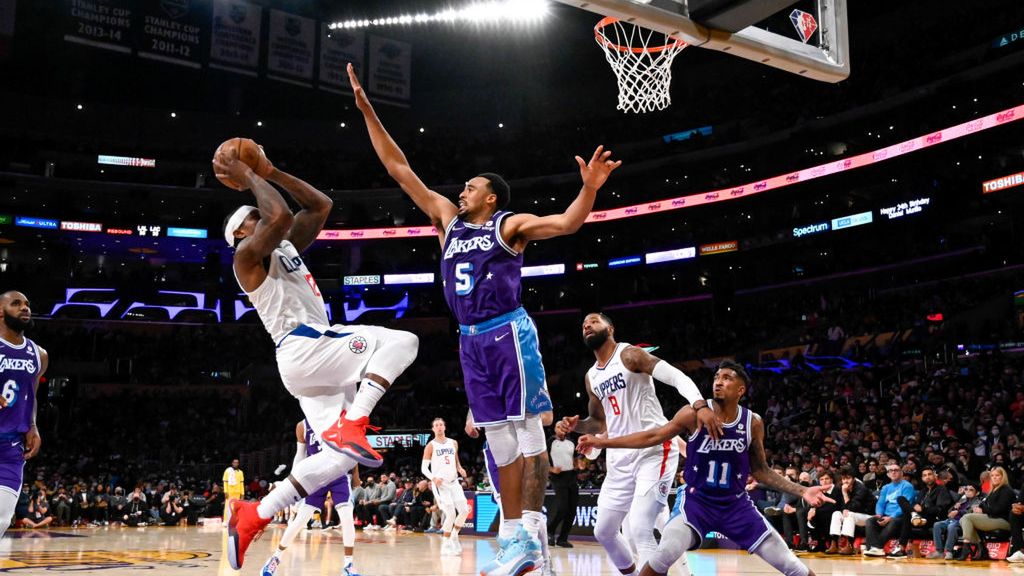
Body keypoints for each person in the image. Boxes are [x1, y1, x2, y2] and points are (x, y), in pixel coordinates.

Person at [349, 63, 620, 576]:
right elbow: (399, 170)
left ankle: (531, 537)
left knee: (526, 435)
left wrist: (589, 189)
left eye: (470, 187)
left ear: (491, 196)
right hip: (469, 340)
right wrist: (367, 111)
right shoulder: (447, 224)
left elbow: (566, 223)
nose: (462, 191)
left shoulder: (507, 225)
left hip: (507, 332)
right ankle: (515, 540)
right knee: (498, 443)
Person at [214, 147, 419, 569]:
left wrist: (270, 170)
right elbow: (279, 217)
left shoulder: (284, 247)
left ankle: (254, 515)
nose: (262, 214)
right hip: (305, 347)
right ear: (241, 233)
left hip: (312, 364)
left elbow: (320, 205)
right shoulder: (246, 257)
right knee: (404, 343)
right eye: (253, 216)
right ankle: (356, 422)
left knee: (340, 461)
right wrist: (249, 176)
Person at [577, 361, 833, 576]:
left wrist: (802, 491)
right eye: (716, 377)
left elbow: (761, 470)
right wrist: (602, 441)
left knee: (792, 566)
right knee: (662, 555)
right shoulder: (692, 413)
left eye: (727, 378)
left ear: (741, 389)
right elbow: (651, 436)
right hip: (696, 504)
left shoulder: (752, 422)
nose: (718, 381)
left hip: (736, 506)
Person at [557, 312, 720, 575]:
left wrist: (699, 404)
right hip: (620, 456)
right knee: (605, 531)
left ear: (610, 329)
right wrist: (577, 426)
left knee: (641, 528)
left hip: (654, 450)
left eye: (594, 321)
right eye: (584, 324)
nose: (587, 325)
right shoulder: (591, 376)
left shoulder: (629, 355)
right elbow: (598, 422)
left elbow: (676, 376)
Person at [262, 420, 361, 576]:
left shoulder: (338, 416)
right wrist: (294, 481)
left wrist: (356, 475)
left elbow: (351, 449)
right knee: (300, 520)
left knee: (347, 517)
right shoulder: (302, 426)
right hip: (316, 476)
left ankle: (348, 565)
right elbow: (300, 456)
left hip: (339, 474)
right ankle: (275, 558)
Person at [0, 290, 47, 538]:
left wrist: (33, 425)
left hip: (11, 447)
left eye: (27, 304)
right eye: (16, 303)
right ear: (0, 311)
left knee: (2, 519)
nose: (24, 308)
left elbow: (32, 394)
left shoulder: (39, 354)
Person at [422, 418, 469, 556]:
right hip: (441, 485)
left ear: (445, 427)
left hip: (454, 482)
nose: (439, 427)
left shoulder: (453, 442)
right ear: (433, 429)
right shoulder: (431, 445)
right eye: (436, 425)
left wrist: (460, 468)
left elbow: (455, 460)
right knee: (451, 514)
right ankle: (446, 543)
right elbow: (424, 468)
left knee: (465, 510)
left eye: (441, 424)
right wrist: (433, 478)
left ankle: (454, 535)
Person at [956, 466, 1014, 561]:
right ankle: (982, 549)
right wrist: (979, 508)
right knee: (963, 519)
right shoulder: (993, 490)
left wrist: (983, 510)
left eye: (997, 475)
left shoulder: (1006, 490)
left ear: (1002, 477)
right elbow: (984, 504)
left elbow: (998, 510)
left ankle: (966, 547)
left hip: (1004, 521)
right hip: (993, 518)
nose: (994, 477)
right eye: (992, 476)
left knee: (967, 518)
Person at [861, 463, 916, 558]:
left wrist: (890, 517)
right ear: (888, 474)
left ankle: (877, 547)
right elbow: (880, 503)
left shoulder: (907, 486)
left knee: (894, 521)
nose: (893, 472)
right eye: (891, 470)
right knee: (870, 520)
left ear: (901, 473)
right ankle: (873, 548)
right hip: (885, 515)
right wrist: (879, 514)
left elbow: (905, 506)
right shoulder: (886, 487)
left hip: (901, 516)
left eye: (896, 470)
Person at [827, 466, 875, 555]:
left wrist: (845, 493)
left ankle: (849, 546)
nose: (845, 481)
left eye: (848, 478)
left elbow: (854, 507)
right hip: (854, 515)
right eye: (843, 478)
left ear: (853, 478)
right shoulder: (841, 487)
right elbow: (840, 507)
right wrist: (844, 508)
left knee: (849, 514)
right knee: (836, 514)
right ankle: (834, 544)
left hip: (868, 516)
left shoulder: (861, 488)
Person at [929, 483, 982, 560]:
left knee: (952, 526)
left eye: (971, 490)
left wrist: (958, 512)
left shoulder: (978, 501)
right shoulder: (962, 499)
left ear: (977, 493)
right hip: (952, 520)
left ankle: (949, 551)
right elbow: (949, 512)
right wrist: (954, 507)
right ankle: (939, 551)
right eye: (966, 489)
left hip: (963, 522)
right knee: (937, 524)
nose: (967, 491)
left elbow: (971, 513)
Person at [547, 423, 577, 548]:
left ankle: (562, 538)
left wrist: (577, 464)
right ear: (555, 429)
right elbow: (541, 459)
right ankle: (550, 530)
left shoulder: (571, 442)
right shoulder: (550, 442)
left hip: (571, 476)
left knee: (572, 510)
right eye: (559, 427)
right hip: (558, 478)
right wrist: (551, 469)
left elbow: (573, 458)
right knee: (562, 508)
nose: (561, 429)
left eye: (563, 427)